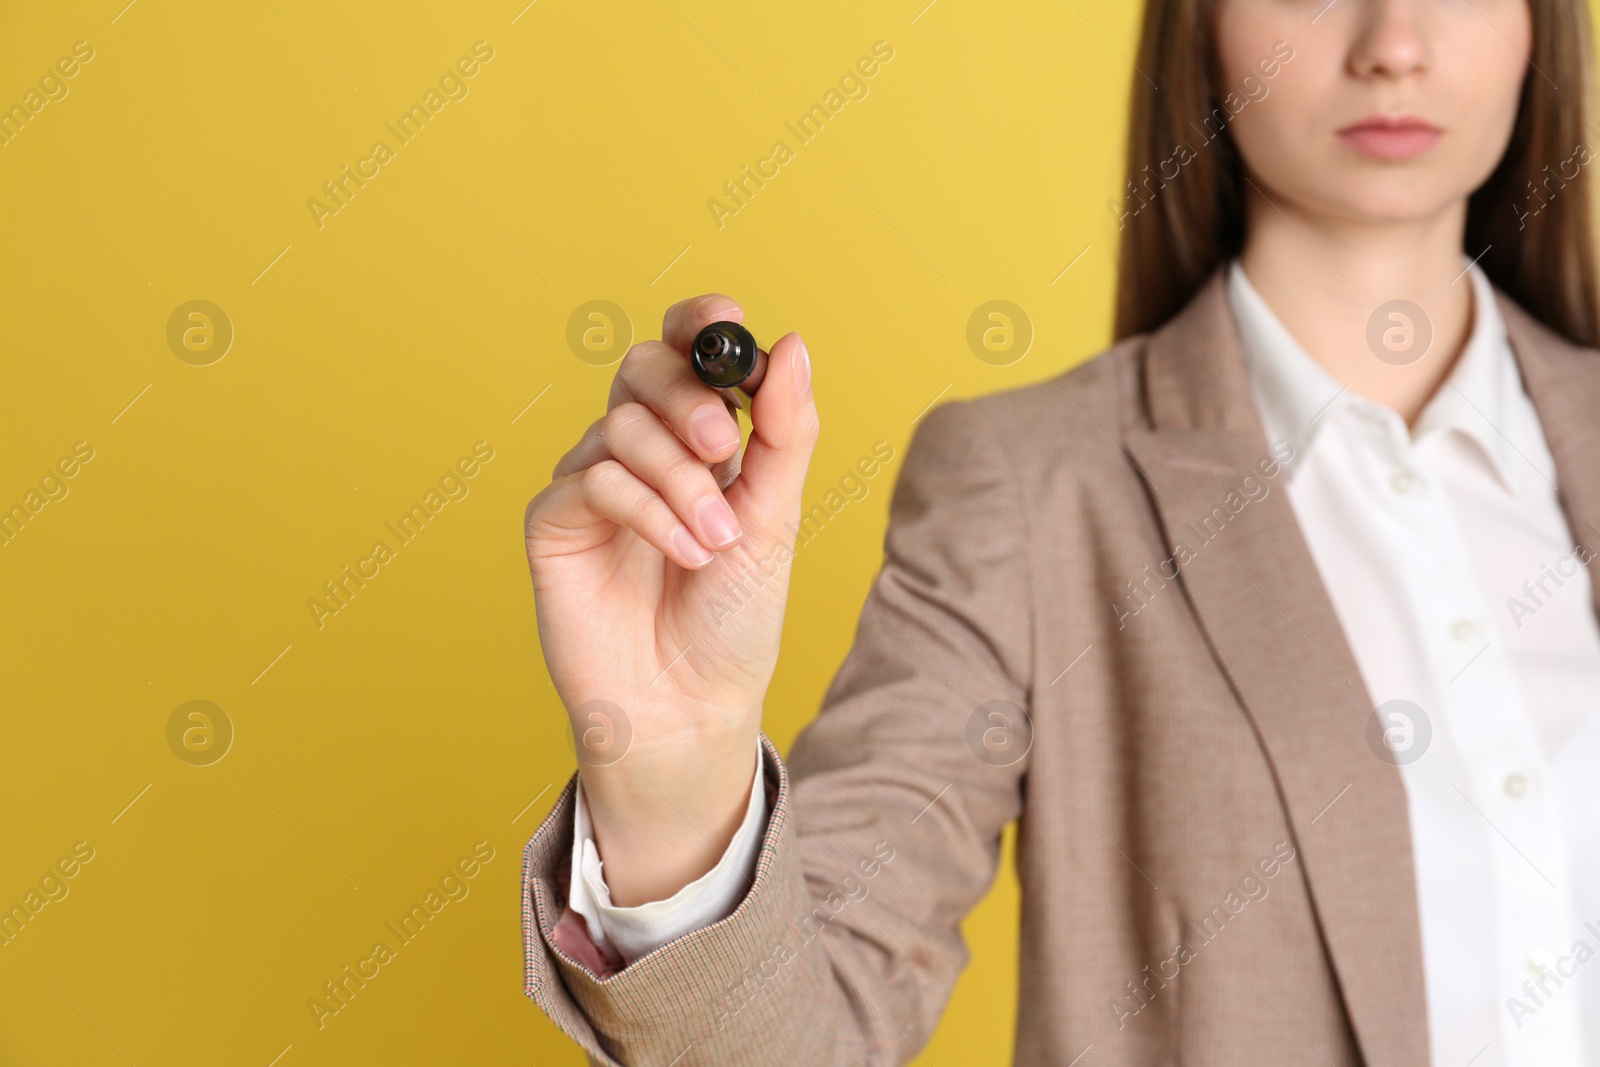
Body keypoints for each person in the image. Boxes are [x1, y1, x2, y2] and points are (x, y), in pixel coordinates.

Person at [519, 0, 1600, 1063]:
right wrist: (675, 769)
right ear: (1201, 27)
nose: (1393, 45)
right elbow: (810, 1028)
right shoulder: (1033, 490)